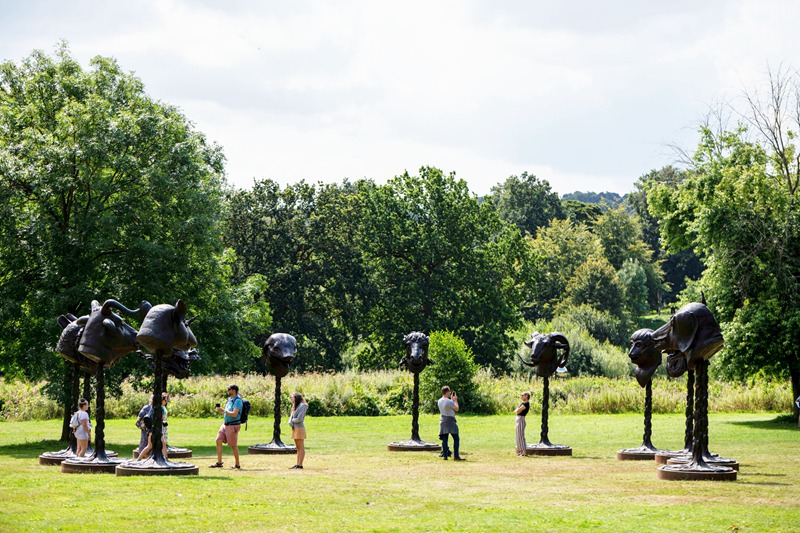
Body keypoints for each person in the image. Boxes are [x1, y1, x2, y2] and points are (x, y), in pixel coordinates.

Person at [210, 384, 243, 469]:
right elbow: (226, 412)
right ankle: (219, 462)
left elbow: (234, 414)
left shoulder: (238, 401)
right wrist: (220, 410)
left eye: (229, 389)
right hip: (225, 424)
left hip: (233, 425)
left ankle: (237, 464)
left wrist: (224, 411)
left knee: (233, 445)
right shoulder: (229, 400)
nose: (228, 391)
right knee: (218, 440)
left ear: (234, 390)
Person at [137, 393, 168, 460]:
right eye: (165, 400)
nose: (166, 402)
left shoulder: (154, 407)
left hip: (152, 430)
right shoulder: (160, 408)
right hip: (155, 429)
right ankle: (165, 459)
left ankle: (139, 458)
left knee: (150, 446)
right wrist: (163, 422)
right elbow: (160, 419)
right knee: (163, 445)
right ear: (161, 401)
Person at [438, 386, 463, 461]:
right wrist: (455, 400)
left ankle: (445, 456)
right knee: (456, 438)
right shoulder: (449, 401)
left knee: (445, 438)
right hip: (450, 420)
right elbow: (456, 408)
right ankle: (456, 456)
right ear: (447, 392)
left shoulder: (439, 401)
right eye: (449, 392)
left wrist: (452, 400)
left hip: (443, 420)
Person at [288, 392, 308, 469]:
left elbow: (299, 419)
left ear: (296, 398)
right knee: (297, 447)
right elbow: (292, 416)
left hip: (299, 428)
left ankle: (300, 464)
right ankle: (297, 463)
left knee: (301, 446)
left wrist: (292, 420)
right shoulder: (294, 406)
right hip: (294, 428)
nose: (291, 398)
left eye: (292, 397)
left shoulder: (303, 406)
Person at [515, 392, 531, 456]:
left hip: (521, 419)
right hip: (518, 418)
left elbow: (518, 410)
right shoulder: (522, 403)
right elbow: (516, 410)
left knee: (521, 436)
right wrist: (517, 410)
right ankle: (520, 451)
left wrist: (518, 410)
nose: (521, 397)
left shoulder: (526, 404)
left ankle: (524, 451)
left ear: (526, 396)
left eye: (522, 395)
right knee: (518, 435)